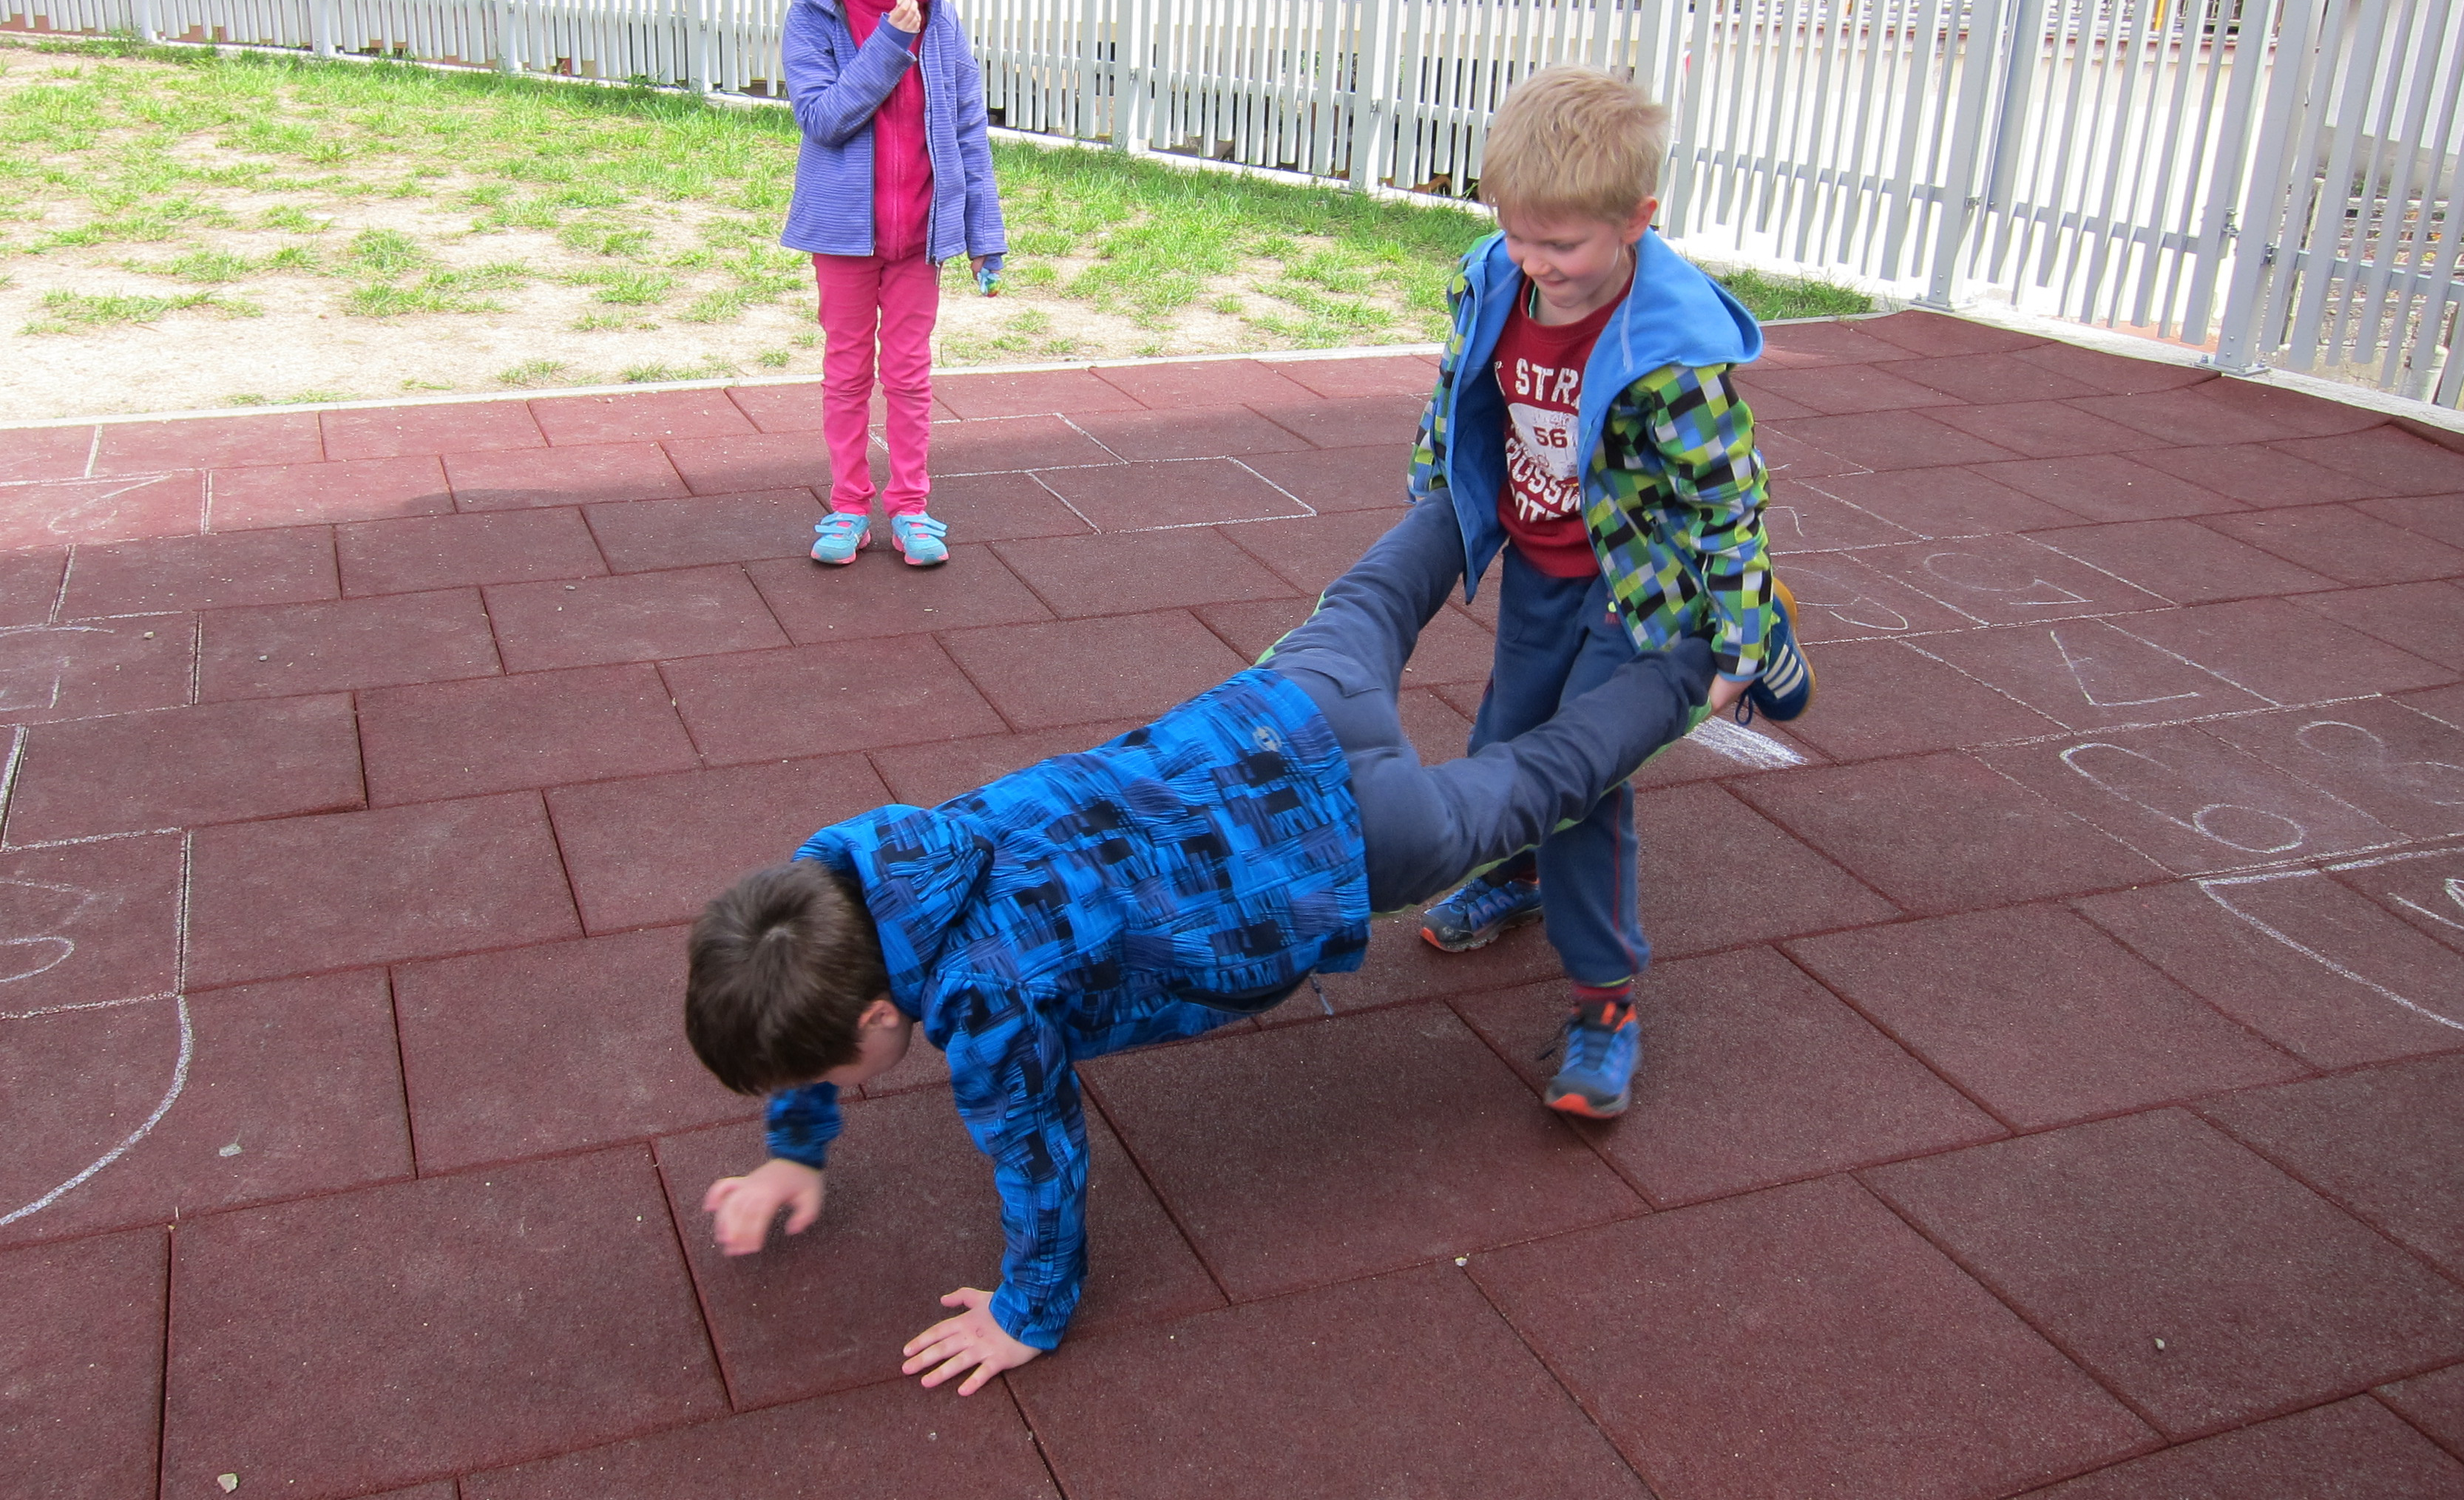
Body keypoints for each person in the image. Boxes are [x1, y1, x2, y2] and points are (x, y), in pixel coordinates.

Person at [683, 495, 1716, 1395]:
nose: (839, 1081)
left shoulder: (984, 1001)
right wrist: (793, 1148)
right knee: (1381, 589)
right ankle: (1493, 458)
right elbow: (805, 981)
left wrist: (1025, 1314)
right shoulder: (859, 863)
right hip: (1282, 706)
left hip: (1341, 843)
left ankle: (1709, 661)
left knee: (1542, 781)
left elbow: (1041, 1161)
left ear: (877, 1015)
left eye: (831, 1077)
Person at [1406, 65, 1810, 1121]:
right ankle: (1519, 875)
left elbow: (1728, 500)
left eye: (1563, 244)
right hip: (1544, 565)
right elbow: (1456, 389)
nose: (1537, 263)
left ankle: (1606, 1000)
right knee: (1504, 741)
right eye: (1518, 234)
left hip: (1642, 591)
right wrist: (1434, 491)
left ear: (1637, 220)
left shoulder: (1670, 350)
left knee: (1578, 779)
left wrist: (1733, 639)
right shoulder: (1497, 279)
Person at [779, 0, 1005, 569]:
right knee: (848, 372)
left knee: (909, 376)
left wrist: (983, 233)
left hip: (919, 238)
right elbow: (823, 117)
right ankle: (849, 505)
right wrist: (888, 44)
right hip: (843, 237)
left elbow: (968, 128)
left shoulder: (939, 19)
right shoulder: (814, 15)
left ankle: (910, 506)